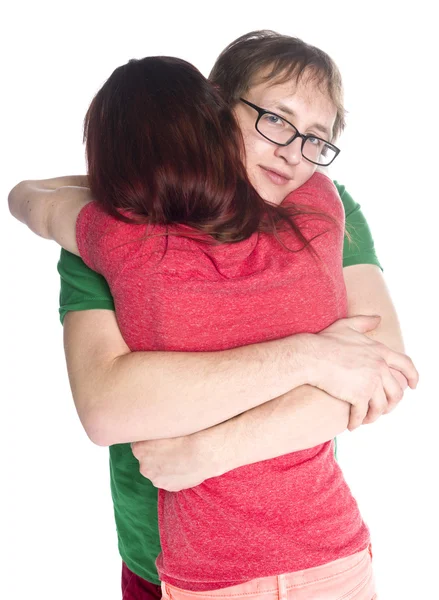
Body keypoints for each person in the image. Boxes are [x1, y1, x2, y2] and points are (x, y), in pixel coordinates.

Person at [8, 33, 417, 599]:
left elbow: (382, 374)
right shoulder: (120, 228)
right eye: (275, 119)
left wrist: (209, 450)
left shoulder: (326, 209)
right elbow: (108, 409)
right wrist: (312, 356)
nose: (293, 152)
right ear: (213, 110)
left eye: (315, 139)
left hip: (315, 551)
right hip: (159, 555)